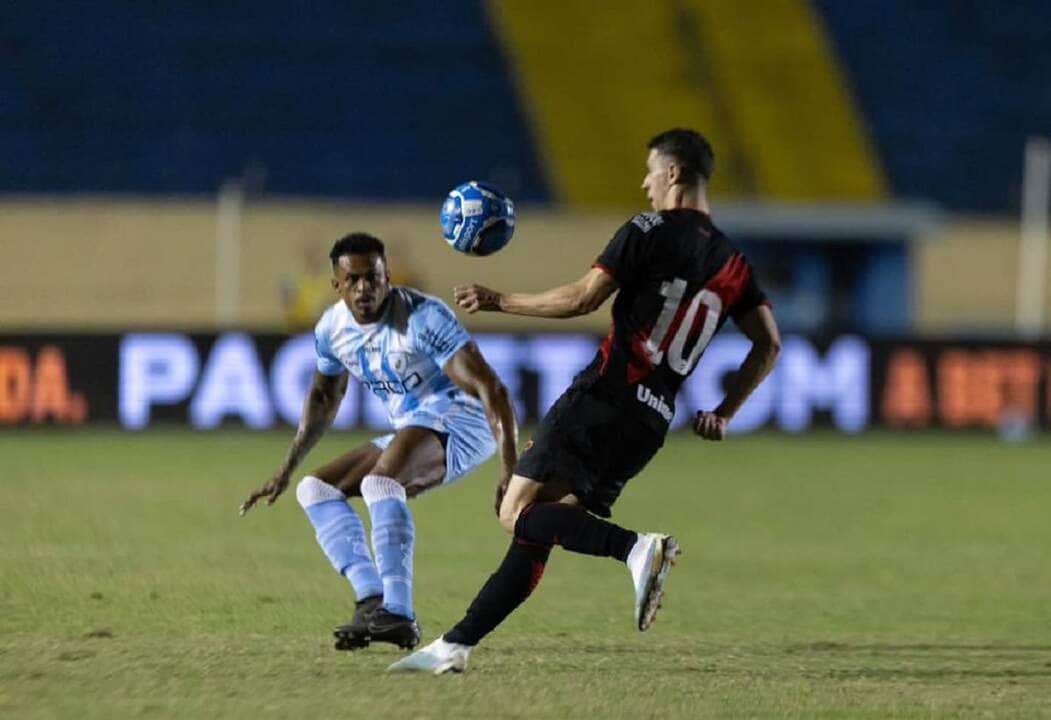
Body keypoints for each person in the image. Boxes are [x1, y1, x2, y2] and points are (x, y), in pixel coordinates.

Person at [389, 128, 781, 674]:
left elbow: (581, 298)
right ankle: (454, 647)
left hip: (606, 393)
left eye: (651, 170)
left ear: (673, 173)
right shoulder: (734, 263)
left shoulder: (649, 229)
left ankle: (636, 549)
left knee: (515, 513)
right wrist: (725, 411)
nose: (645, 182)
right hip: (651, 422)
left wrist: (499, 299)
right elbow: (769, 343)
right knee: (541, 528)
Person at [240, 232, 517, 652]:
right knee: (315, 490)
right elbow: (323, 397)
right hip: (412, 423)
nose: (364, 288)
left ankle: (400, 615)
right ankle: (372, 602)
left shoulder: (423, 317)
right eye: (352, 280)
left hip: (463, 421)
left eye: (374, 277)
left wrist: (510, 470)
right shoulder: (332, 329)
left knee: (379, 484)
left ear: (388, 276)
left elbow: (491, 389)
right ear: (336, 285)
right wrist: (286, 468)